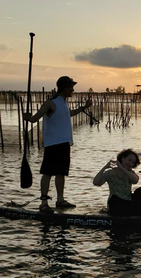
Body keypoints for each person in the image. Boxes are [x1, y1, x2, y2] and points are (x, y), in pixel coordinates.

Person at [23, 76, 92, 214]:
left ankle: (60, 200)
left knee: (61, 173)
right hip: (53, 144)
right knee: (48, 173)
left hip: (65, 143)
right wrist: (28, 117)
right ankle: (43, 203)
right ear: (63, 88)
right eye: (71, 87)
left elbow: (69, 114)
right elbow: (35, 118)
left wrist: (84, 107)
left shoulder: (63, 103)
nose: (73, 89)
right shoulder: (50, 103)